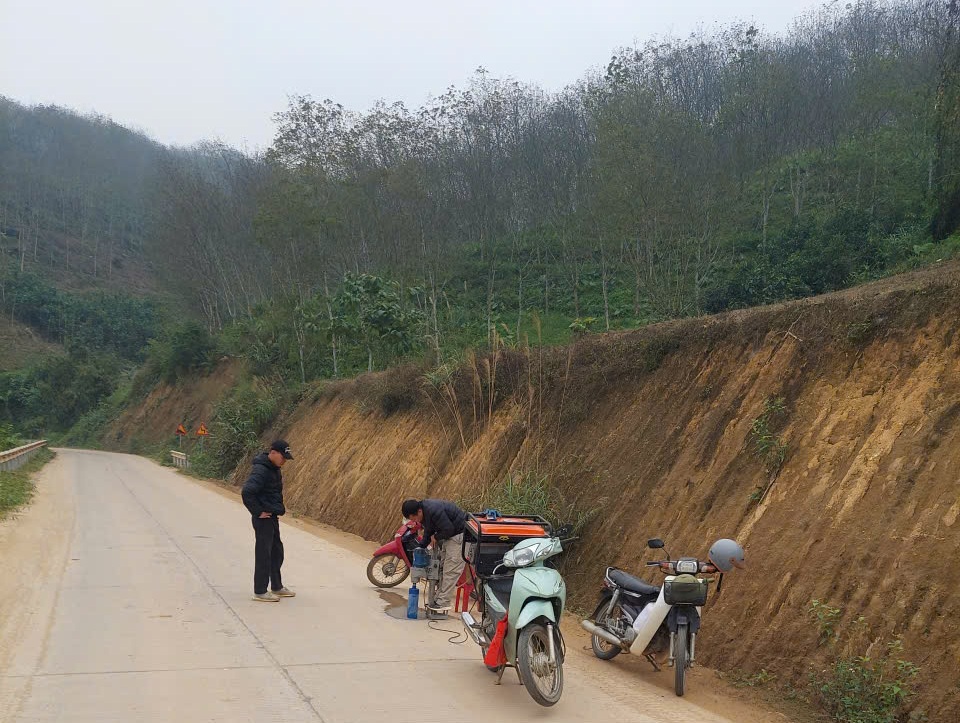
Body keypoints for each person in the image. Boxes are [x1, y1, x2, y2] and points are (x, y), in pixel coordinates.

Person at [242, 440, 296, 602]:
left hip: (272, 516)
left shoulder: (274, 469)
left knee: (276, 552)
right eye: (283, 457)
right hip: (263, 518)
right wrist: (258, 512)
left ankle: (277, 587)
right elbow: (247, 492)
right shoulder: (261, 470)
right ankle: (260, 591)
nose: (284, 461)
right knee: (264, 554)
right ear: (273, 453)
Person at [401, 498, 467, 613]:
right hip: (450, 536)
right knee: (442, 569)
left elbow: (448, 529)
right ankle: (438, 599)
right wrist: (421, 546)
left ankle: (443, 602)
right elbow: (429, 530)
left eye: (414, 518)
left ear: (419, 512)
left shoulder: (433, 510)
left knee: (450, 571)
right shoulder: (425, 512)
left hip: (459, 536)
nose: (415, 521)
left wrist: (436, 537)